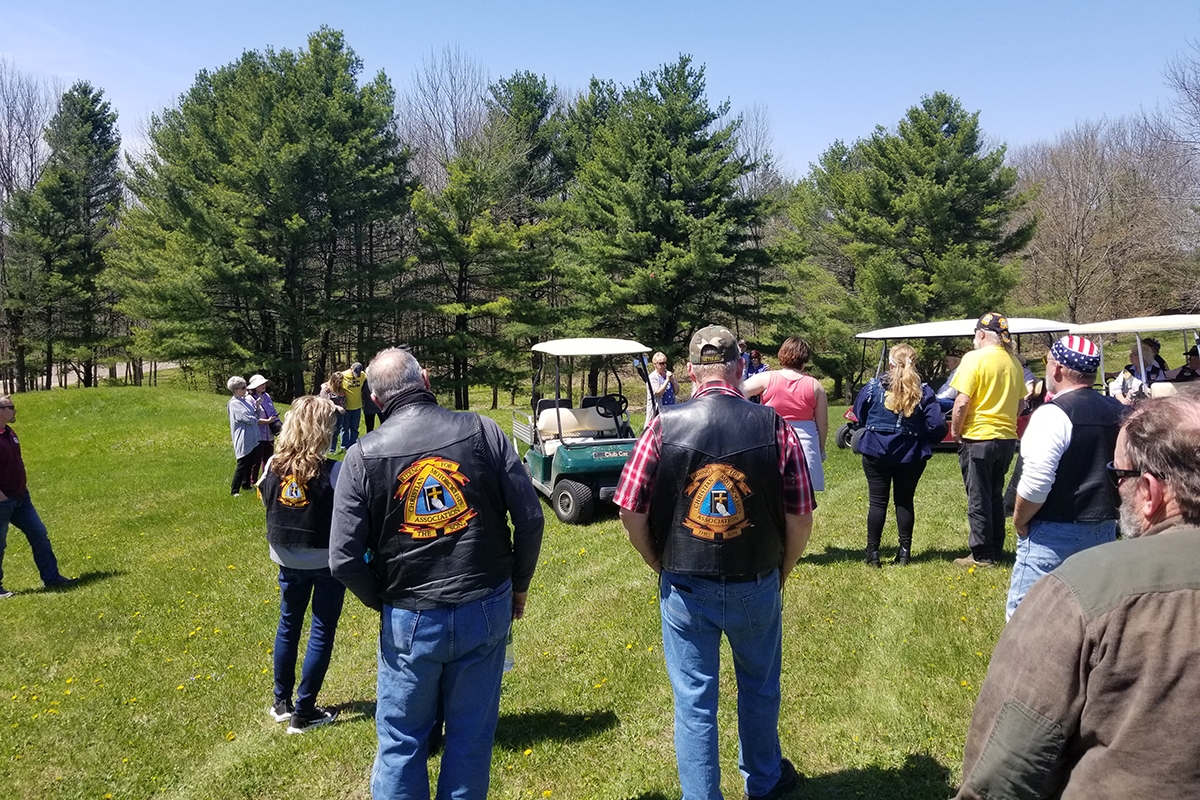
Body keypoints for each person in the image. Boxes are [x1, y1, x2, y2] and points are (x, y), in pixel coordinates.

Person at [955, 392, 1200, 799]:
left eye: (1118, 475)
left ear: (1150, 492)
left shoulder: (1084, 590)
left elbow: (1003, 773)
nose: (1115, 487)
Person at [329, 347, 544, 799]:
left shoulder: (361, 456)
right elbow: (530, 518)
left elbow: (344, 558)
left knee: (401, 741)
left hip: (409, 615)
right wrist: (519, 587)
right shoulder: (483, 430)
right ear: (426, 379)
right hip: (485, 604)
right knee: (470, 739)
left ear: (373, 400)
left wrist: (383, 600)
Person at [615, 324, 815, 800]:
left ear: (689, 371)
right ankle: (764, 781)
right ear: (740, 367)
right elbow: (800, 516)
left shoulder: (662, 425)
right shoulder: (775, 426)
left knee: (694, 702)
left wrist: (657, 561)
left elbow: (629, 509)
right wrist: (782, 569)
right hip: (755, 578)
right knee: (760, 688)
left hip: (685, 584)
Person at [1005, 336, 1123, 620]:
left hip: (1054, 531)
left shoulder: (1053, 415)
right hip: (1106, 528)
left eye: (1046, 362)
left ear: (1057, 368)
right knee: (1093, 618)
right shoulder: (1119, 411)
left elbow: (1036, 484)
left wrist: (1020, 520)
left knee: (1028, 620)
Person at [257, 396, 346, 734]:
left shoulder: (272, 464)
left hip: (286, 556)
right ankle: (304, 711)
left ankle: (281, 702)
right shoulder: (334, 471)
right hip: (324, 560)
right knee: (321, 629)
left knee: (289, 623)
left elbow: (266, 500)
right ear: (323, 431)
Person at [852, 343, 947, 567]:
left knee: (877, 502)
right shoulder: (923, 391)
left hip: (876, 449)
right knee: (904, 501)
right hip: (910, 453)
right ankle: (904, 552)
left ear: (890, 364)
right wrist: (926, 439)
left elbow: (859, 413)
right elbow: (937, 425)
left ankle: (873, 553)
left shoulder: (873, 386)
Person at [949, 313, 1025, 568]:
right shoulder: (1013, 362)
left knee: (978, 496)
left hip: (978, 436)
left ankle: (982, 554)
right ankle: (996, 547)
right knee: (994, 494)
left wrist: (956, 430)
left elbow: (962, 402)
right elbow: (1021, 403)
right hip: (1006, 438)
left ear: (981, 334)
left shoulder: (974, 358)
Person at [0, 396, 72, 598]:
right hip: (3, 502)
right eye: (11, 407)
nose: (14, 410)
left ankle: (52, 578)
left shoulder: (9, 432)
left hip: (21, 498)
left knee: (39, 534)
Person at [744, 336, 828, 492]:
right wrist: (821, 449)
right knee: (802, 495)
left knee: (772, 492)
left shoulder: (766, 378)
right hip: (805, 443)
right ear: (805, 359)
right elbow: (822, 423)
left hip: (773, 439)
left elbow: (737, 391)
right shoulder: (816, 386)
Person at [227, 376, 260, 496]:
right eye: (243, 388)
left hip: (252, 436)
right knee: (242, 464)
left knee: (251, 462)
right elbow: (246, 418)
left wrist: (257, 407)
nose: (246, 390)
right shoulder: (234, 403)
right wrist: (254, 417)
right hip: (243, 437)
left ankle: (246, 485)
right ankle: (234, 490)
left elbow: (255, 414)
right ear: (235, 390)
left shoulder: (244, 401)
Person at [1108, 340, 1164, 405]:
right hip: (1128, 406)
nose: (1130, 356)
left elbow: (1161, 391)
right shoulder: (1128, 371)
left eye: (1134, 354)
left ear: (1143, 357)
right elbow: (1115, 387)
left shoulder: (1156, 372)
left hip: (1149, 405)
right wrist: (1123, 400)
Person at [248, 374, 280, 485]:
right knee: (256, 459)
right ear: (254, 386)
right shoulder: (250, 399)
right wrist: (267, 421)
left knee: (268, 458)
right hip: (258, 434)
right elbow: (252, 418)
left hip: (269, 433)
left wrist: (276, 422)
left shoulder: (267, 396)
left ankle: (266, 480)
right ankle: (253, 481)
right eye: (261, 384)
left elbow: (272, 410)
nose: (263, 385)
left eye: (264, 383)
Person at [645, 351, 680, 423]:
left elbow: (677, 391)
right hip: (659, 410)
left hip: (671, 409)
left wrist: (673, 381)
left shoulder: (668, 374)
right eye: (661, 363)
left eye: (665, 363)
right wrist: (667, 380)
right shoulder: (652, 377)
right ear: (655, 364)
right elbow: (658, 393)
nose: (664, 365)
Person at [318, 371, 347, 453]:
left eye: (341, 382)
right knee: (328, 432)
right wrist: (337, 407)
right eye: (338, 382)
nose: (340, 384)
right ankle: (325, 449)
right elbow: (325, 403)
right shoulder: (326, 390)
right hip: (330, 415)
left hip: (340, 414)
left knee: (336, 432)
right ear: (333, 380)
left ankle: (332, 450)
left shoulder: (341, 390)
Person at [340, 362, 365, 449]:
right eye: (355, 373)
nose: (356, 375)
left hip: (357, 406)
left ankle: (353, 445)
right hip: (346, 407)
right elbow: (330, 383)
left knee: (355, 428)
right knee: (345, 428)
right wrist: (324, 386)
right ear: (351, 369)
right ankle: (344, 446)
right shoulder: (342, 375)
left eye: (358, 373)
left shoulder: (362, 375)